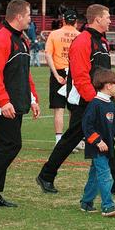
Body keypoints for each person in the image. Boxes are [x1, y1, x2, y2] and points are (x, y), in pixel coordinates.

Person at [36, 4, 115, 196]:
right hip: (88, 102)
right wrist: (95, 101)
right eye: (108, 17)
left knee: (102, 135)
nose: (111, 20)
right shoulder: (83, 41)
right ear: (97, 19)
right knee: (71, 139)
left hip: (99, 100)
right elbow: (80, 76)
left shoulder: (100, 41)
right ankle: (46, 175)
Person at [0, 0, 40, 208]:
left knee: (0, 147)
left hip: (15, 103)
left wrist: (33, 99)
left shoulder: (22, 40)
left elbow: (25, 74)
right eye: (29, 15)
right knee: (12, 144)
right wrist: (3, 101)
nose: (31, 19)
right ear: (19, 16)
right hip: (1, 106)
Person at [80, 68, 115, 217]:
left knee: (95, 176)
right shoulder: (94, 104)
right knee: (105, 175)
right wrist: (98, 141)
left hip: (107, 148)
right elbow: (87, 126)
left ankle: (86, 203)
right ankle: (108, 206)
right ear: (108, 85)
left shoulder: (111, 104)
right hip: (97, 148)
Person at [44, 9, 79, 144]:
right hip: (73, 73)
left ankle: (59, 140)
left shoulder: (54, 34)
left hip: (58, 71)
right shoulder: (80, 35)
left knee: (59, 109)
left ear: (63, 20)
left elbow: (48, 55)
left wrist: (56, 74)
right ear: (76, 22)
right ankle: (72, 140)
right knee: (73, 109)